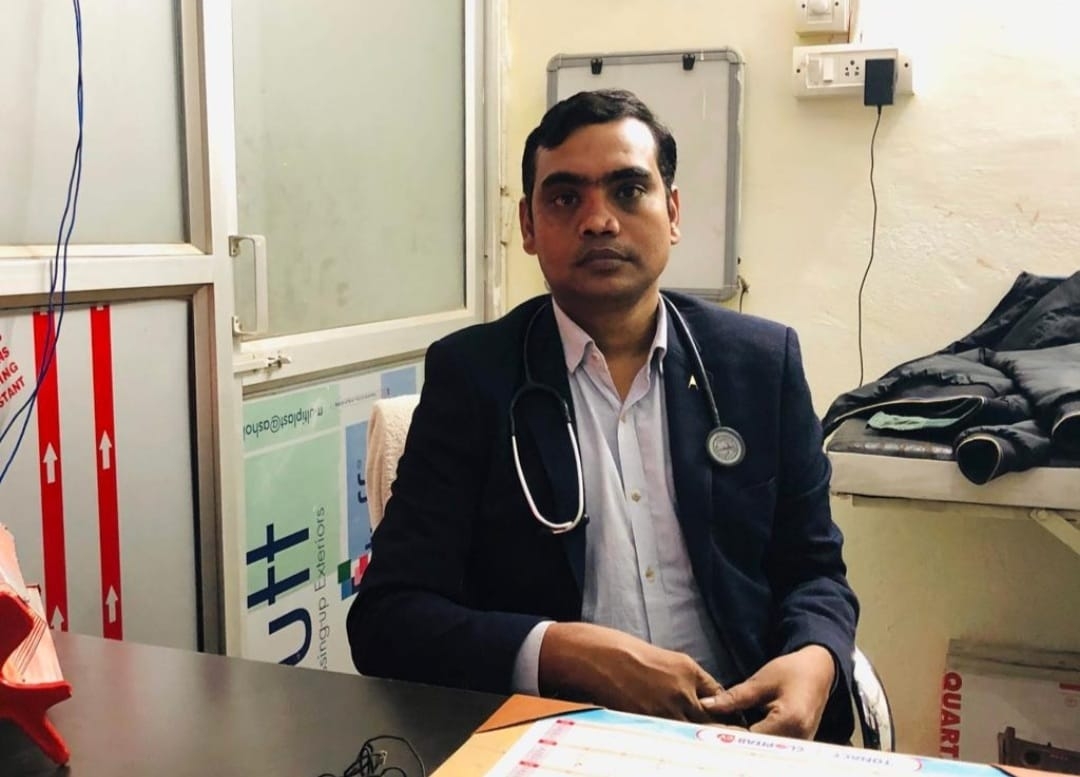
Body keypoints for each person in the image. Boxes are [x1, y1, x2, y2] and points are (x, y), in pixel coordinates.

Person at [347, 89, 859, 743]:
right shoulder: (473, 377)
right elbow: (388, 618)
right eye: (565, 198)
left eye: (628, 190)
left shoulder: (761, 364)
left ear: (672, 212)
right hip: (558, 736)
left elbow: (814, 571)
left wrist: (816, 659)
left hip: (744, 731)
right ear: (528, 226)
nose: (598, 221)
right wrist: (557, 652)